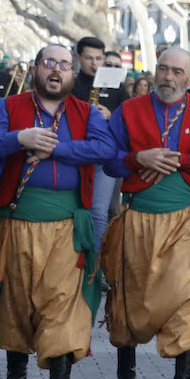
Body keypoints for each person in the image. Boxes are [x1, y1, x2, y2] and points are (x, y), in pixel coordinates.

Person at [0, 44, 115, 379]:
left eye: (64, 65)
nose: (56, 70)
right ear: (36, 69)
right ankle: (16, 374)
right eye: (49, 63)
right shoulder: (6, 107)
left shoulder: (86, 112)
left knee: (61, 299)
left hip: (67, 223)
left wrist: (58, 149)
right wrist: (19, 139)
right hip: (18, 219)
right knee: (19, 298)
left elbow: (105, 149)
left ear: (72, 73)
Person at [103, 47, 190, 379]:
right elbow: (106, 159)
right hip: (138, 217)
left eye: (176, 72)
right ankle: (126, 378)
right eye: (163, 70)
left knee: (187, 296)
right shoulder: (129, 111)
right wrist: (138, 158)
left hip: (184, 218)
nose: (168, 78)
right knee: (129, 293)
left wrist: (183, 161)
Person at [72, 37, 123, 248]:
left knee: (99, 212)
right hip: (75, 153)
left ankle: (95, 268)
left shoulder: (116, 85)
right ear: (79, 58)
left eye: (98, 58)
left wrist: (112, 115)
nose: (94, 63)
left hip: (104, 156)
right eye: (89, 58)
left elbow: (128, 116)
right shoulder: (70, 83)